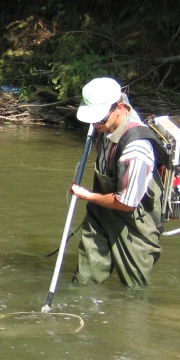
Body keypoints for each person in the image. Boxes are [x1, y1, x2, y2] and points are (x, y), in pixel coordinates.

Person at [69, 77, 163, 287]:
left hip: (134, 223)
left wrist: (85, 195)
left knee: (134, 291)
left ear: (120, 108)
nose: (95, 125)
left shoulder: (136, 150)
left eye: (100, 120)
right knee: (83, 282)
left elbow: (127, 202)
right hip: (101, 209)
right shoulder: (108, 117)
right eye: (91, 119)